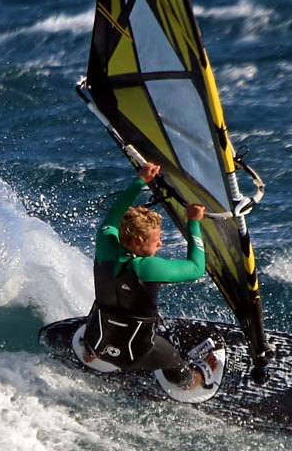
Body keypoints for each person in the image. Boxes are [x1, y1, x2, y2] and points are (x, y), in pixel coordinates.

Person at [82, 162, 214, 391]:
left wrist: (140, 179)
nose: (161, 243)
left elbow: (114, 215)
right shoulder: (147, 267)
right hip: (134, 353)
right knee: (174, 363)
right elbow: (196, 267)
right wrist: (194, 223)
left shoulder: (105, 243)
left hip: (97, 339)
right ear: (136, 243)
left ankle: (90, 354)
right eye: (156, 241)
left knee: (104, 311)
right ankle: (195, 380)